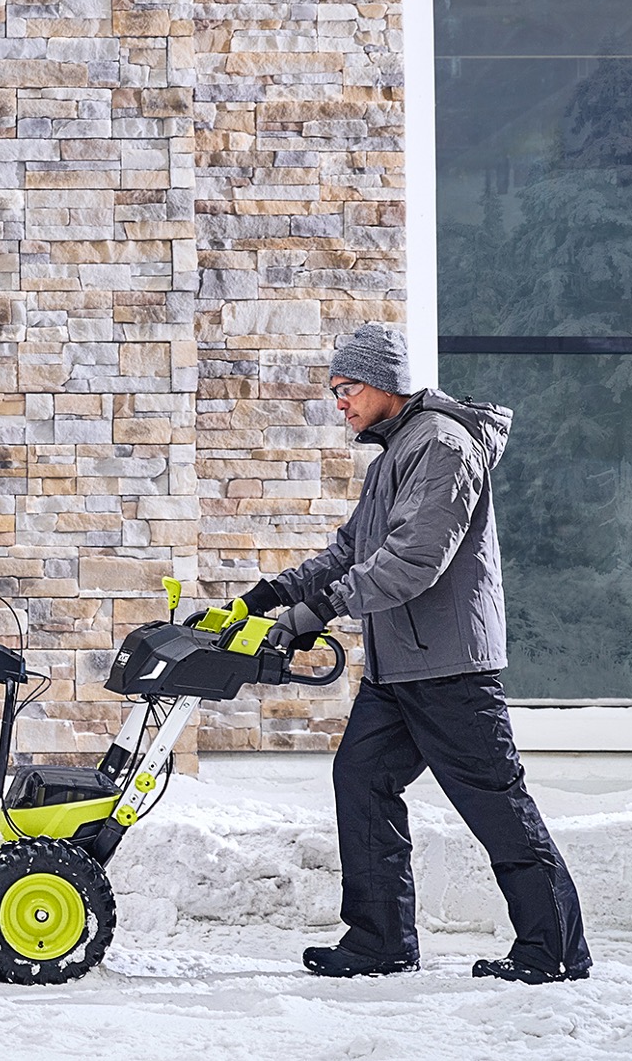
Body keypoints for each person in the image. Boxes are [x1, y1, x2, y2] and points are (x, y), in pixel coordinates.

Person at [237, 322, 592, 986]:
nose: (337, 401)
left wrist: (319, 611)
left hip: (450, 669)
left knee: (496, 805)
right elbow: (351, 550)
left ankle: (555, 951)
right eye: (334, 390)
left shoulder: (442, 445)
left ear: (383, 384)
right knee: (362, 780)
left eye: (346, 388)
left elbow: (412, 561)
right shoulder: (396, 451)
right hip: (401, 669)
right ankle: (380, 943)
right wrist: (269, 595)